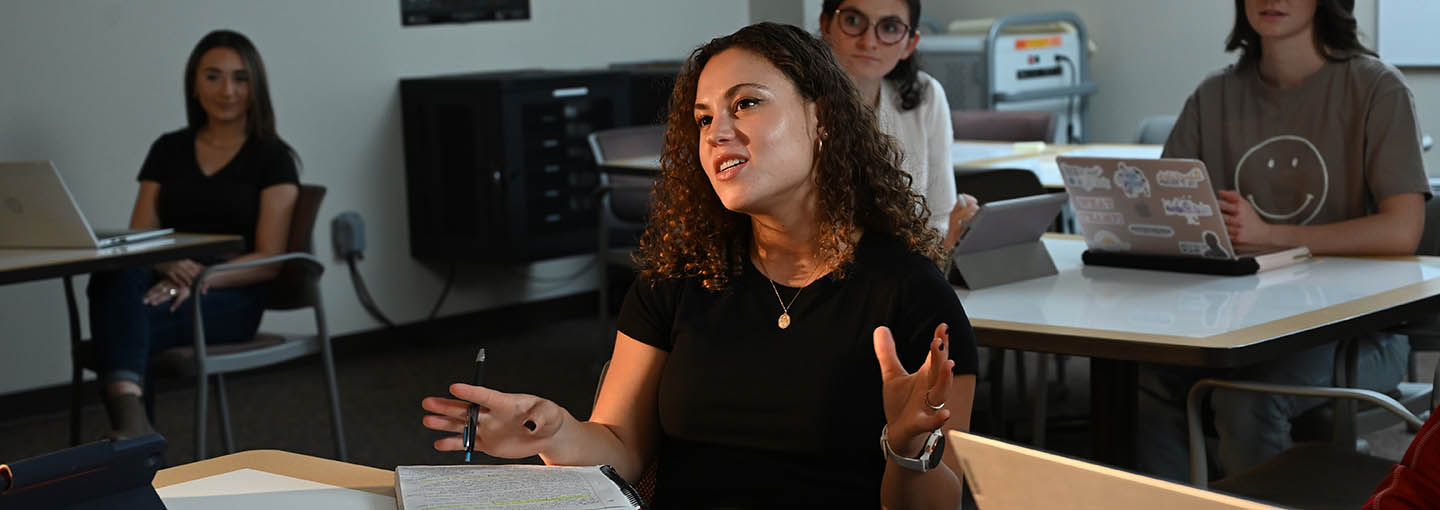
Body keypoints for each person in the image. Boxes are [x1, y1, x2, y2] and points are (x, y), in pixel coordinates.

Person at [421, 23, 979, 509]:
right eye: (704, 117)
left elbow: (935, 507)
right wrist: (556, 432)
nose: (717, 133)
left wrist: (909, 455)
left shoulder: (912, 295)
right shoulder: (679, 280)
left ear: (822, 117)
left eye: (747, 104)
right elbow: (622, 451)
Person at [1136, 0, 1428, 481]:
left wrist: (1272, 236)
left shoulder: (1377, 87)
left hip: (1354, 332)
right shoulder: (1214, 95)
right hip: (1237, 321)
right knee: (1148, 377)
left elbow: (1402, 229)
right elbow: (1167, 206)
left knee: (1246, 399)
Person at [88, 29, 300, 439]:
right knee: (115, 276)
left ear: (256, 86)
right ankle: (135, 430)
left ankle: (132, 433)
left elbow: (270, 257)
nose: (227, 90)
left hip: (231, 295)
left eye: (240, 78)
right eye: (213, 76)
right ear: (194, 83)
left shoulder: (273, 158)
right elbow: (140, 239)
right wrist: (171, 266)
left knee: (123, 322)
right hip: (161, 281)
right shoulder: (167, 149)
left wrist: (200, 277)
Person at [818, 0, 979, 248]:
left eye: (890, 28)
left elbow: (939, 218)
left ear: (909, 44)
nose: (868, 41)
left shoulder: (926, 95)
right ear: (826, 26)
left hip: (911, 271)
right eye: (853, 21)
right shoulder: (798, 102)